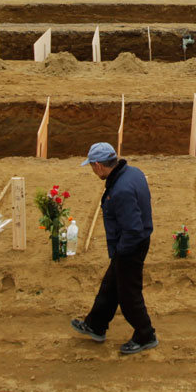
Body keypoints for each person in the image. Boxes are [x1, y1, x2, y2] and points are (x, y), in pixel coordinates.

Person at [71, 142, 158, 354]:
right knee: (111, 285)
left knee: (128, 294)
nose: (92, 170)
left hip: (131, 246)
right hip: (132, 242)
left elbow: (133, 229)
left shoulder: (120, 191)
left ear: (99, 165)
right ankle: (96, 324)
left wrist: (122, 251)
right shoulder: (133, 173)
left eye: (92, 166)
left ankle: (145, 335)